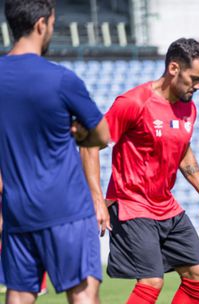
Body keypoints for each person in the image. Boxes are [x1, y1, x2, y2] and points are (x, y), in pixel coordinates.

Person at [81, 38, 199, 304]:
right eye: (194, 78)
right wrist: (97, 199)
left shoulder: (189, 107)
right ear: (174, 68)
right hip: (131, 204)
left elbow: (183, 151)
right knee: (152, 281)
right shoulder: (133, 102)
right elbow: (90, 145)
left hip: (166, 205)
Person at [0, 1, 111, 303]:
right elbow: (102, 134)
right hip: (67, 210)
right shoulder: (61, 79)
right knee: (83, 296)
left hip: (17, 212)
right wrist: (77, 132)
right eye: (52, 23)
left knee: (19, 296)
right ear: (41, 25)